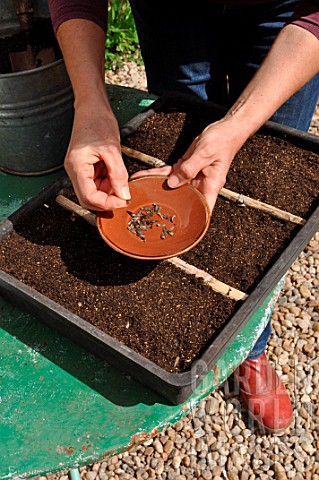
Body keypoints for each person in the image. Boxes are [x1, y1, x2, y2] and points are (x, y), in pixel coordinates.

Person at [48, 0, 319, 434]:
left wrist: (237, 125)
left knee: (264, 162)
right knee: (180, 158)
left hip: (290, 12)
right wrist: (91, 104)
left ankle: (252, 345)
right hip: (173, 11)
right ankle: (207, 333)